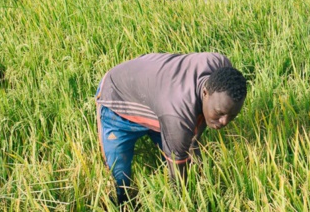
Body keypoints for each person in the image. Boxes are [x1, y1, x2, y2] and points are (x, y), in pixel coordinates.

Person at [94, 52, 247, 204]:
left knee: (183, 149)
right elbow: (178, 169)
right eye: (219, 113)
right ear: (205, 92)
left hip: (156, 90)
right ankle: (123, 202)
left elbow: (198, 123)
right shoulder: (178, 116)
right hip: (116, 97)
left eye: (232, 115)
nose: (225, 121)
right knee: (119, 173)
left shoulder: (220, 64)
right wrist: (183, 199)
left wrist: (194, 142)